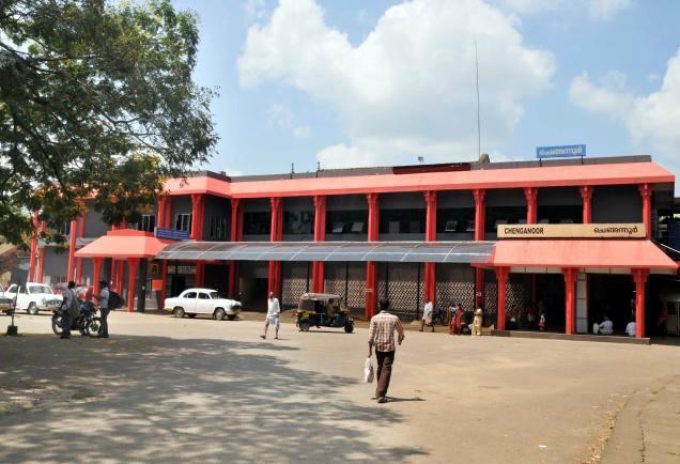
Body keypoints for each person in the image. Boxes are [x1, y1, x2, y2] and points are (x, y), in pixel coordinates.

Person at [368, 298, 405, 404]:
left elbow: (370, 336)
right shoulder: (394, 318)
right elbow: (401, 332)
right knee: (386, 369)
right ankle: (381, 394)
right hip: (389, 348)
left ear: (380, 306)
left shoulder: (374, 318)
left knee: (381, 367)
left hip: (378, 347)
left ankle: (378, 391)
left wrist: (369, 350)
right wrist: (400, 339)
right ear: (388, 306)